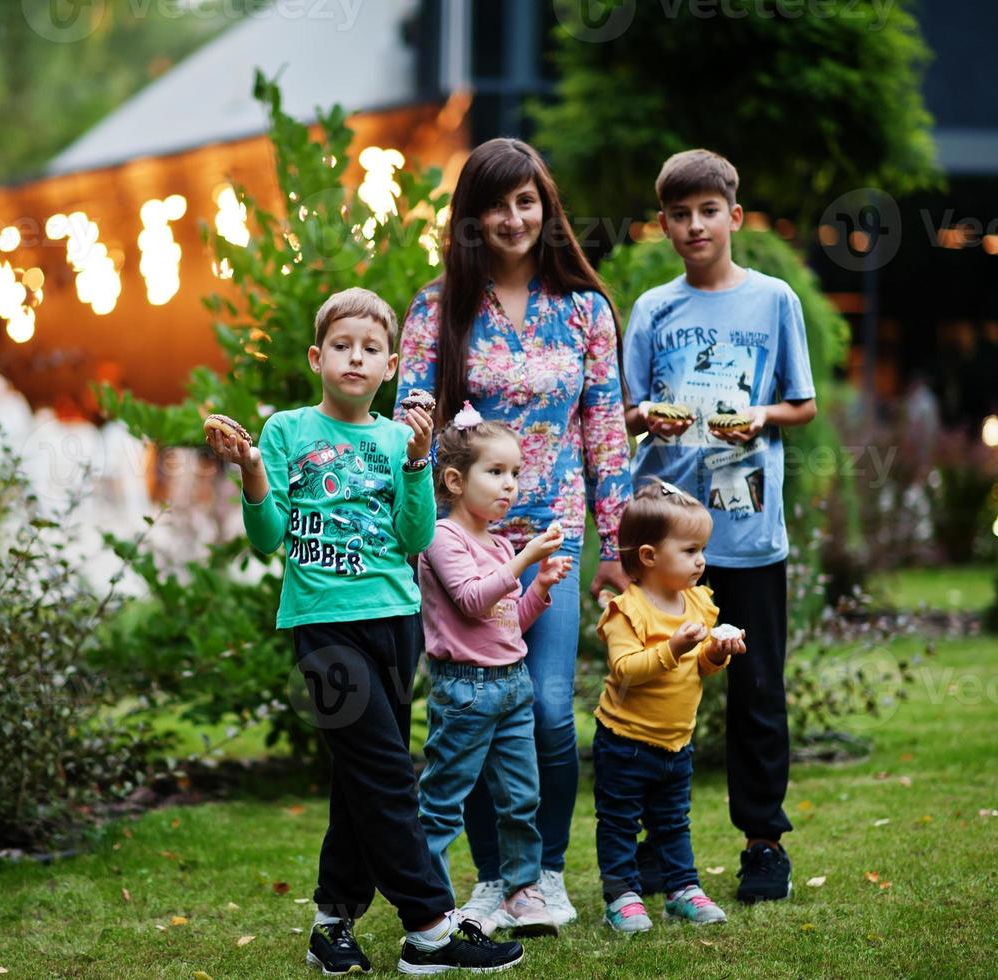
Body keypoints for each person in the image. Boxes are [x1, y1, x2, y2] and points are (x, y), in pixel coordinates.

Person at [205, 287, 523, 974]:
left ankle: (332, 922)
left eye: (370, 349)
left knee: (360, 776)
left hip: (394, 624)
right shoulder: (289, 431)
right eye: (342, 346)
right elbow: (266, 539)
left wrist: (414, 462)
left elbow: (414, 535)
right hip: (323, 630)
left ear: (390, 366)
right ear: (318, 357)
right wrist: (254, 471)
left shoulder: (394, 439)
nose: (355, 358)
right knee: (384, 774)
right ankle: (430, 928)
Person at [397, 138, 632, 926]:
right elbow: (410, 421)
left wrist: (617, 547)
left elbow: (605, 431)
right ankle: (495, 881)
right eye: (495, 204)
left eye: (525, 201)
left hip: (551, 547)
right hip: (463, 544)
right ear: (470, 217)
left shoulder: (584, 310)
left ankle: (545, 874)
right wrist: (408, 522)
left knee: (543, 710)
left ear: (545, 207)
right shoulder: (436, 310)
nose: (512, 218)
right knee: (472, 710)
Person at [620, 149, 817, 903]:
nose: (694, 224)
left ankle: (762, 844)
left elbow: (798, 404)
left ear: (734, 217)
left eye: (708, 210)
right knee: (655, 684)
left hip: (748, 531)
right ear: (663, 225)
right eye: (679, 213)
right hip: (663, 540)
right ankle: (651, 845)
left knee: (756, 688)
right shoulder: (651, 310)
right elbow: (623, 413)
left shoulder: (772, 301)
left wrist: (758, 417)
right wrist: (649, 416)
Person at [416, 404, 575, 938]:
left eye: (514, 474)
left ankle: (520, 893)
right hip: (465, 692)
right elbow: (471, 602)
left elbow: (509, 620)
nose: (509, 486)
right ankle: (430, 906)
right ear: (456, 481)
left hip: (512, 688)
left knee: (521, 799)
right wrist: (526, 559)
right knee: (443, 802)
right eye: (496, 472)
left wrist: (542, 589)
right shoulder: (442, 538)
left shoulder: (500, 543)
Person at [592, 480, 747, 932]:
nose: (701, 560)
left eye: (703, 548)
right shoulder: (628, 609)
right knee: (620, 822)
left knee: (673, 822)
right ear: (649, 556)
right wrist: (675, 647)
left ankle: (682, 888)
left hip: (676, 742)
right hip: (625, 742)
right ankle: (621, 894)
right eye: (690, 549)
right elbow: (625, 669)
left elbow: (699, 668)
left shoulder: (698, 601)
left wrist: (716, 653)